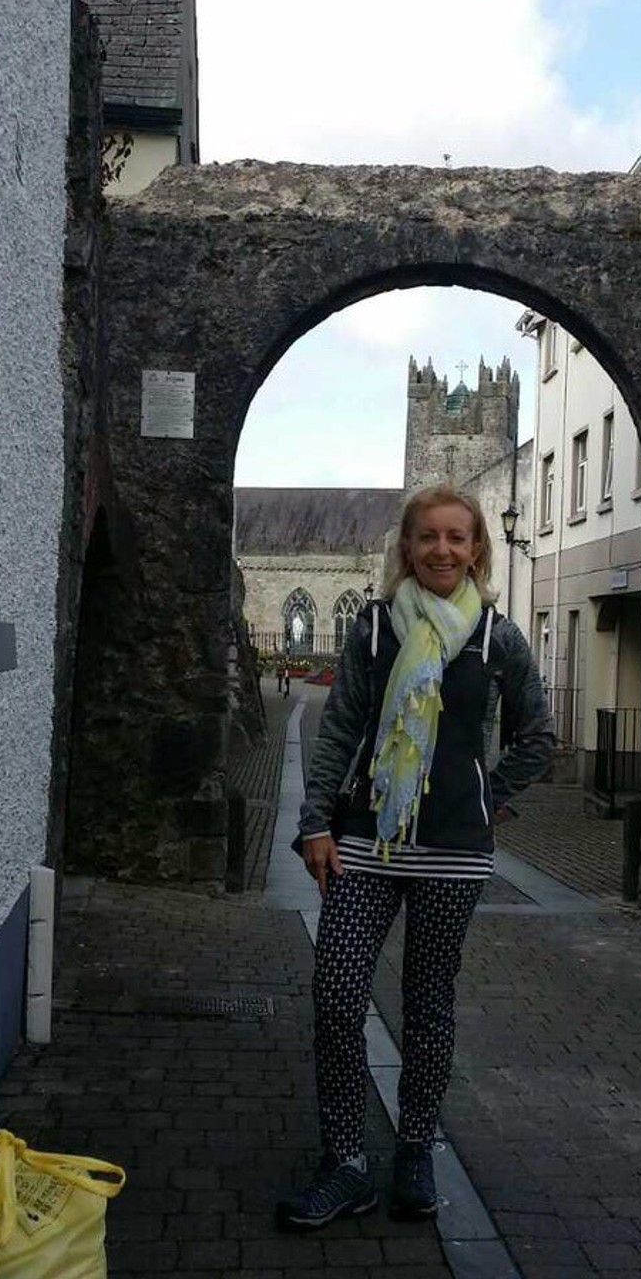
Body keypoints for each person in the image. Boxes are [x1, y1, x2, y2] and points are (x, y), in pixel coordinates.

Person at [276, 485, 555, 1232]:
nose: (441, 549)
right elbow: (337, 731)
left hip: (453, 854)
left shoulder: (498, 639)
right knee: (336, 995)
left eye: (456, 538)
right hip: (365, 839)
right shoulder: (373, 630)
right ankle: (345, 1163)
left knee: (428, 1006)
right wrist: (314, 823)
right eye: (427, 537)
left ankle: (415, 1150)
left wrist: (484, 794)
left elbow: (538, 734)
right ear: (407, 547)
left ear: (476, 550)